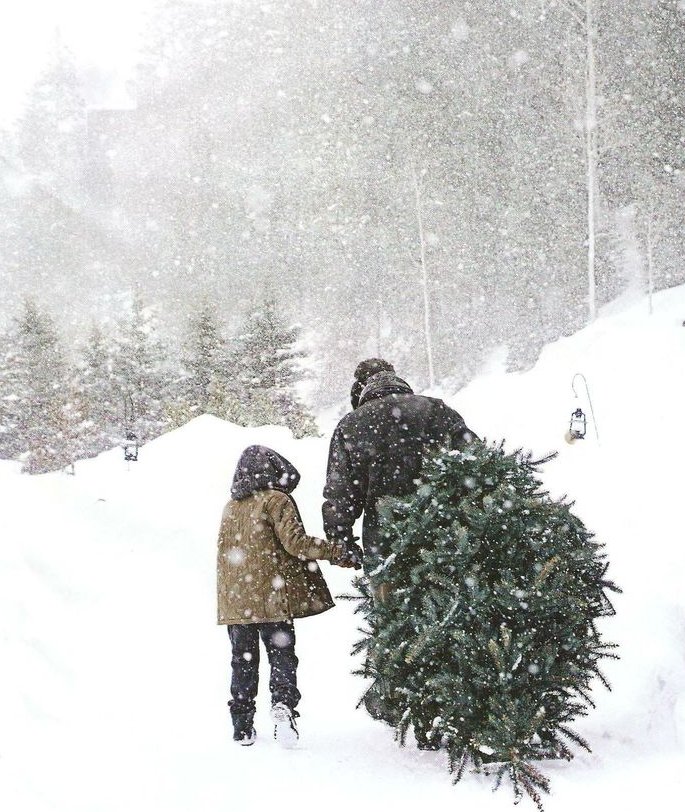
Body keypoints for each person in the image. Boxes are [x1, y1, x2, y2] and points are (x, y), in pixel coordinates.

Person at [217, 444, 354, 747]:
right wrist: (336, 550)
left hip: (237, 601)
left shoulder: (231, 507)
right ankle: (282, 706)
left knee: (242, 660)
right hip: (271, 598)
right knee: (281, 655)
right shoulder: (275, 501)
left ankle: (241, 725)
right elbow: (296, 544)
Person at [323, 358, 478, 571]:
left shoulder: (350, 426)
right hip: (442, 535)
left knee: (389, 601)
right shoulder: (436, 410)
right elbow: (475, 460)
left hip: (384, 544)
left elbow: (340, 493)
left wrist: (341, 542)